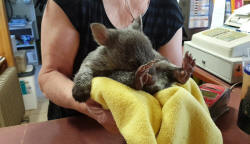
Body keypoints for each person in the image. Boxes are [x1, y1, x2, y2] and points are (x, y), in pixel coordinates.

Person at [38, 0, 184, 134]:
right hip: (78, 124)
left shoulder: (167, 8)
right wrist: (92, 109)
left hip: (144, 121)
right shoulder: (74, 4)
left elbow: (169, 84)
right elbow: (50, 74)